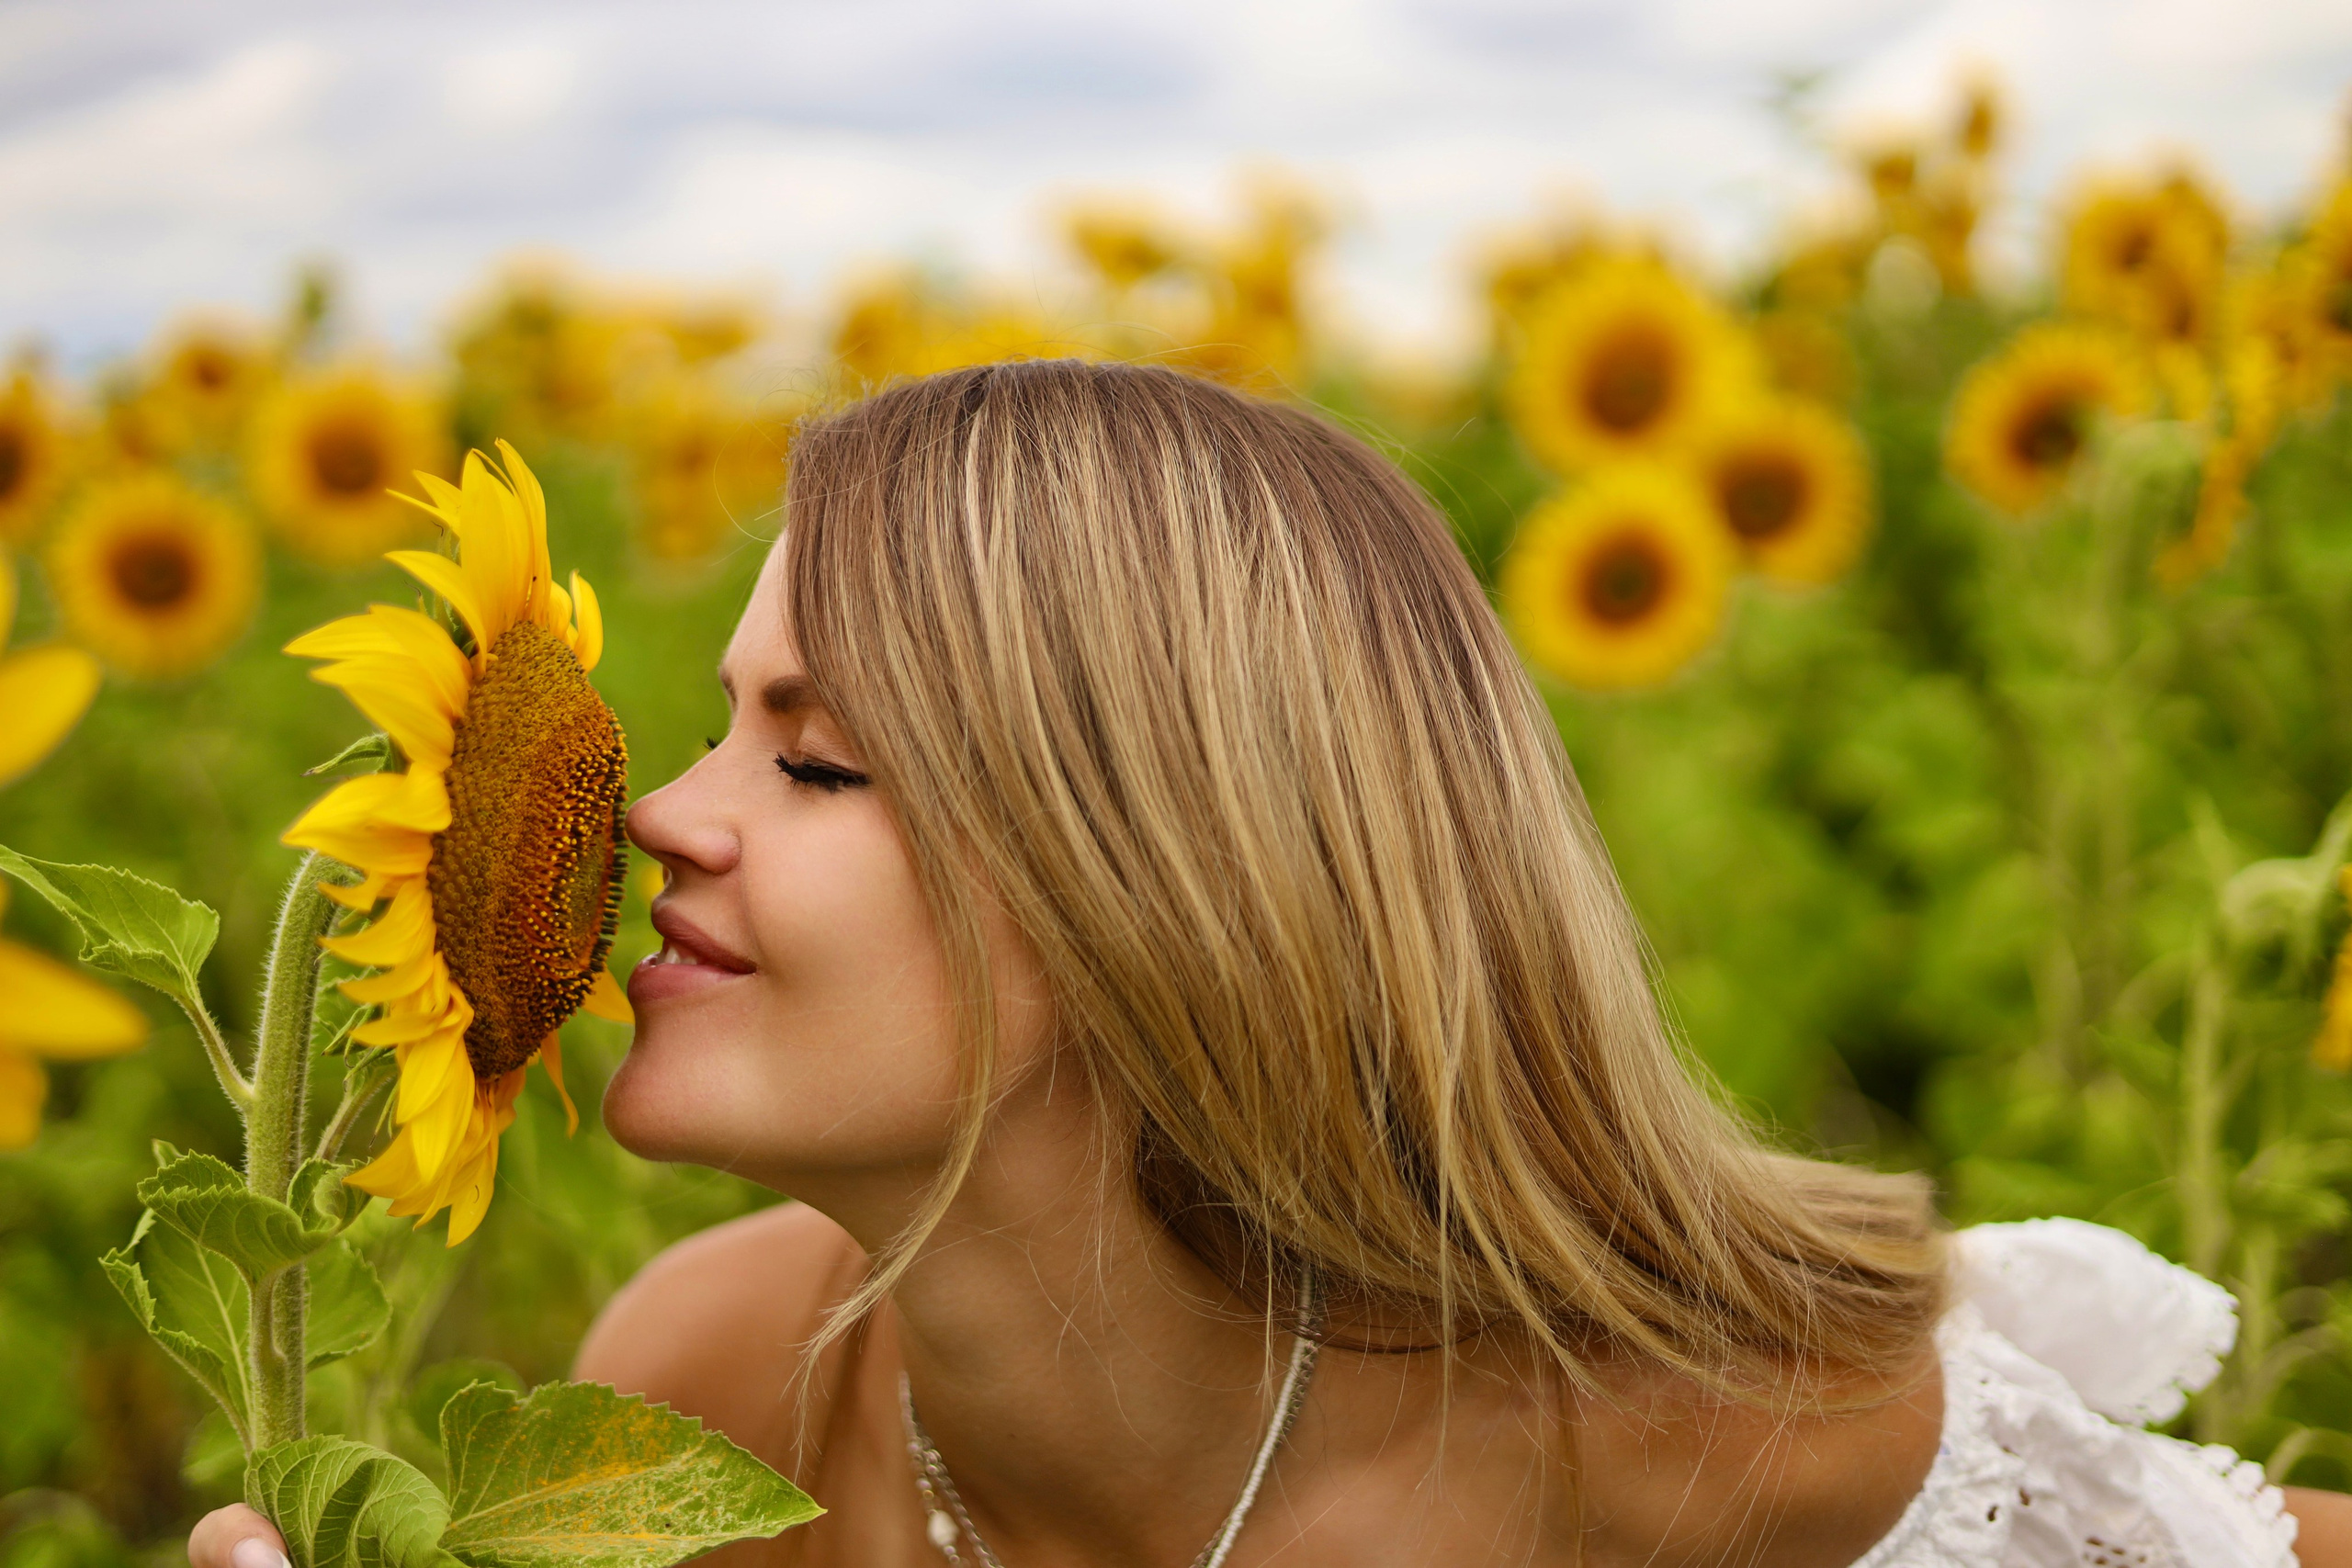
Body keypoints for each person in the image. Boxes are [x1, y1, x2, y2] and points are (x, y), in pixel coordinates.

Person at [193, 361, 2352, 1568]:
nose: (664, 810)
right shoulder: (709, 1388)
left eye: (818, 758)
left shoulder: (1713, 1459)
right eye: (713, 722)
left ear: (1158, 879)